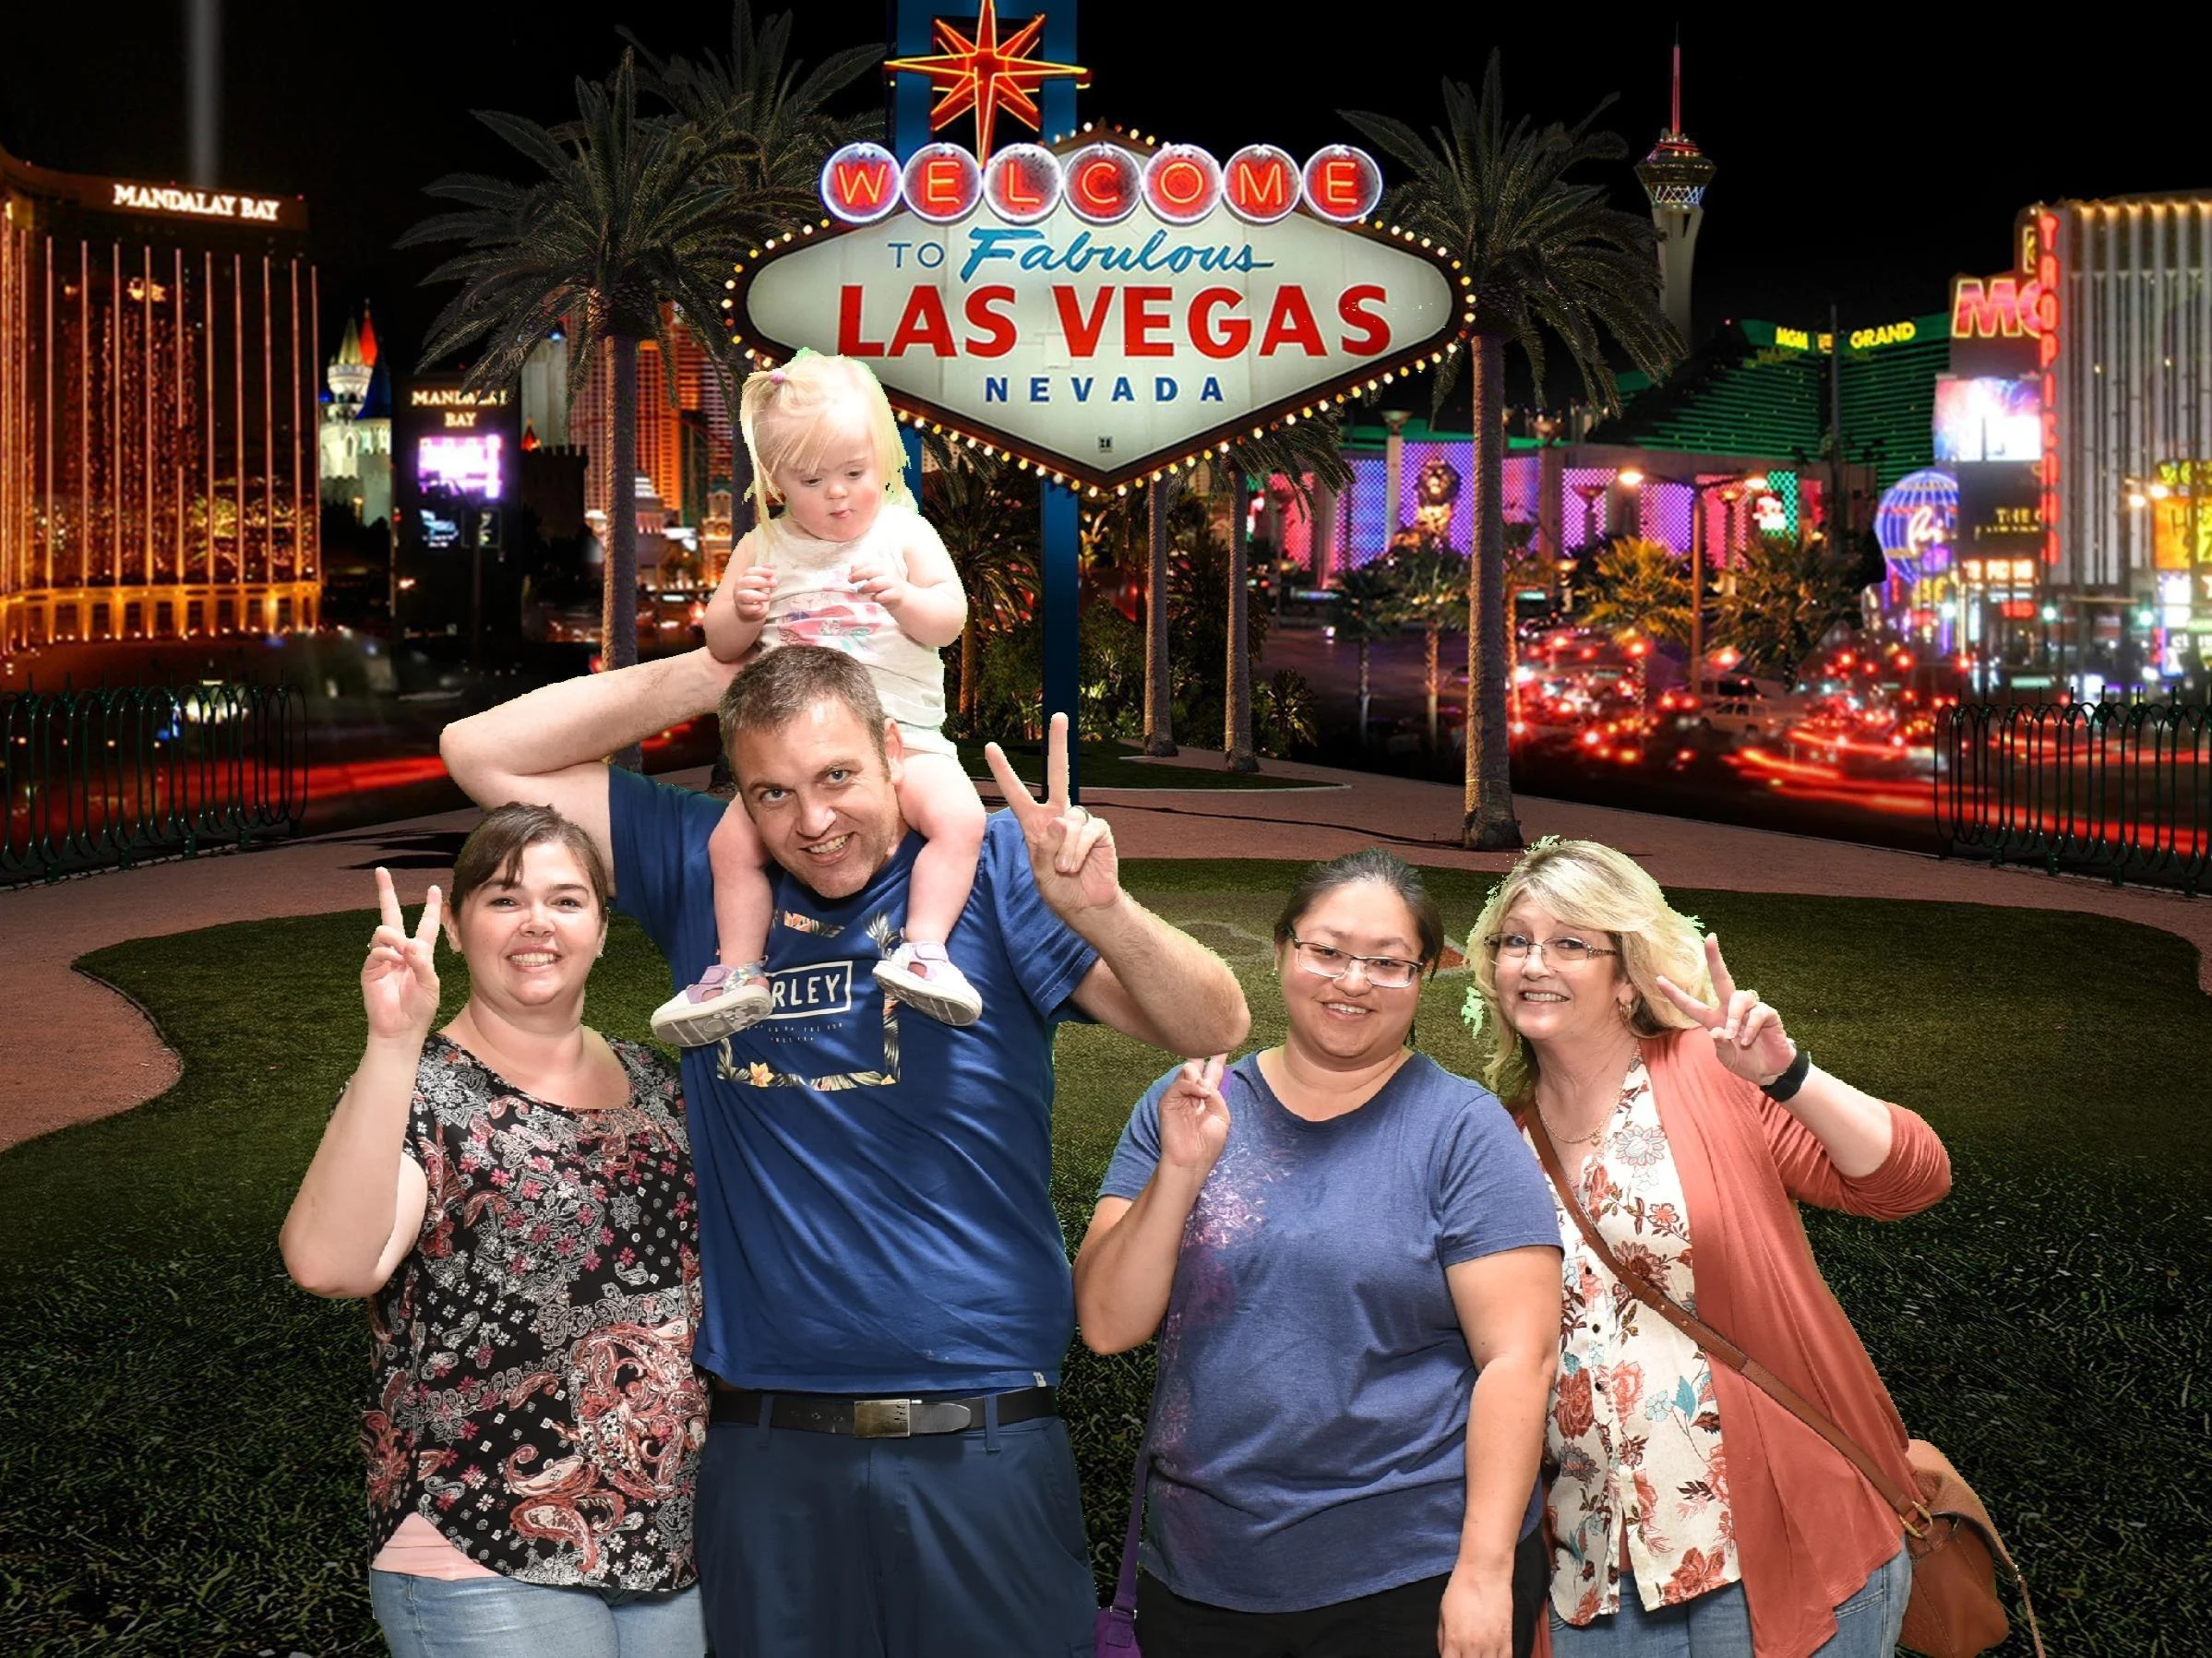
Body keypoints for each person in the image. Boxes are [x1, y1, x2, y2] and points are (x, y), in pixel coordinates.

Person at [437, 646, 1250, 1658]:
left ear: (893, 753)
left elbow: (1211, 1020)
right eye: (772, 791)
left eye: (836, 778)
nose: (812, 822)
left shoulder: (994, 868)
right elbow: (480, 754)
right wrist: (720, 668)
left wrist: (1103, 911)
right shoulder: (707, 866)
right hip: (768, 1450)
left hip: (982, 1434)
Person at [1460, 838, 1953, 1658]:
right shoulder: (1494, 1138)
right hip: (1593, 1571)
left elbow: (1908, 1179)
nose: (1534, 963)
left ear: (1626, 975)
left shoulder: (1708, 1073)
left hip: (1777, 1542)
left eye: (1570, 943)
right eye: (1515, 941)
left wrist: (1785, 1073)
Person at [1076, 848, 1563, 1658]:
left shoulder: (1460, 1130)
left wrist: (1480, 1571)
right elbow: (1105, 1322)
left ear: (1421, 978)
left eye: (1387, 962)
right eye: (1327, 951)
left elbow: (1519, 1356)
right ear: (1281, 951)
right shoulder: (1190, 1107)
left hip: (1405, 1566)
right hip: (1202, 1571)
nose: (1353, 981)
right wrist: (1181, 1171)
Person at [280, 809, 707, 1658]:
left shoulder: (662, 1083)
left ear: (600, 930)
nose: (537, 923)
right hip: (475, 1539)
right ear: (461, 924)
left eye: (566, 899)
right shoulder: (422, 1088)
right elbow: (332, 1264)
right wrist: (392, 1043)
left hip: (664, 1539)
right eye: (506, 898)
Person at [652, 350, 986, 1046]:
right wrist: (741, 610)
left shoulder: (902, 532)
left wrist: (902, 597)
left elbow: (949, 619)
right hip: (793, 752)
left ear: (881, 461)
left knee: (959, 819)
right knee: (731, 844)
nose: (838, 494)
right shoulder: (763, 545)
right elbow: (720, 641)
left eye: (855, 474)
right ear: (774, 481)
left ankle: (924, 950)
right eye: (812, 479)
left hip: (906, 737)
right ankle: (739, 971)